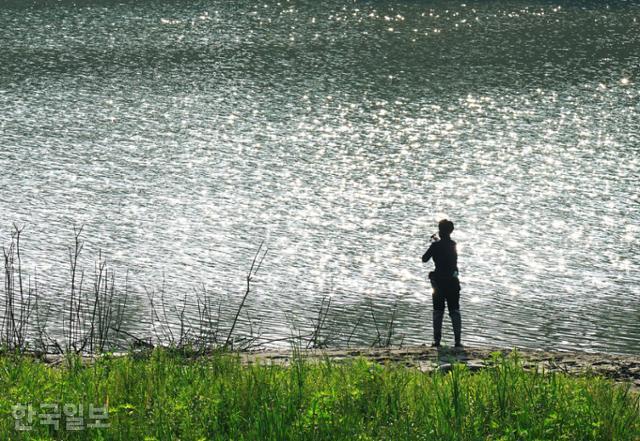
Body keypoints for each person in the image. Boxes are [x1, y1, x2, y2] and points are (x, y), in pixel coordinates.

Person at [422, 219, 462, 348]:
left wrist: (434, 244)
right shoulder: (453, 244)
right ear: (451, 231)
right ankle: (457, 341)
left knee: (438, 311)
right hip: (452, 282)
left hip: (438, 283)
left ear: (440, 230)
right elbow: (450, 261)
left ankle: (437, 341)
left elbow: (424, 259)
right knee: (454, 310)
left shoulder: (436, 245)